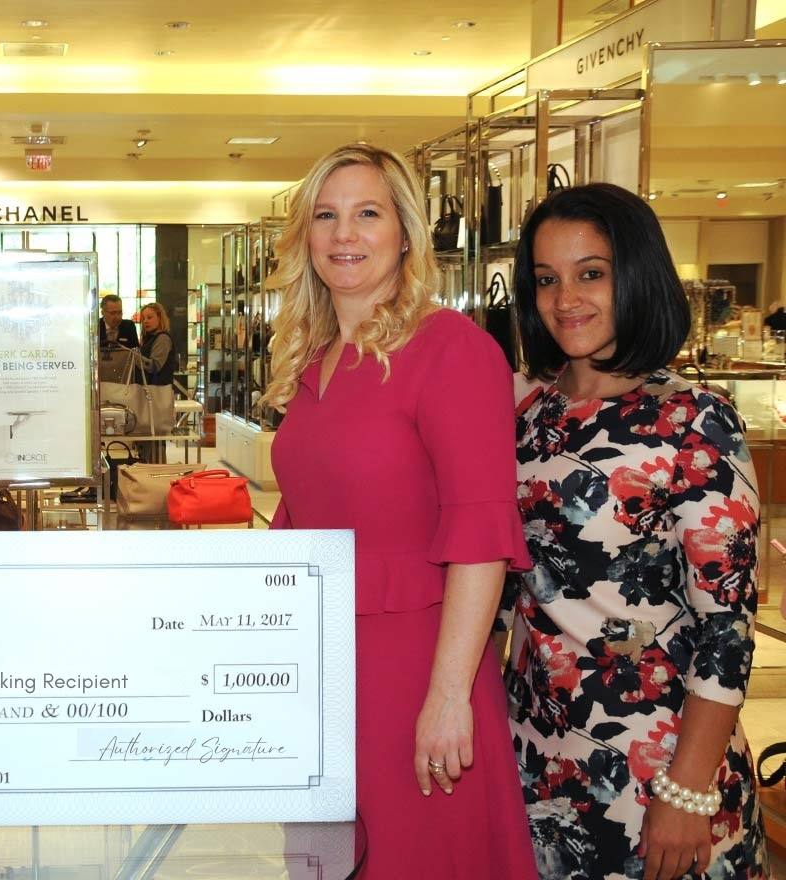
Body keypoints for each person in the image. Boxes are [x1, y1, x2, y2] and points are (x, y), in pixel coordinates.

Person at [263, 143, 537, 878]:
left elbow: (481, 536)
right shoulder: (313, 359)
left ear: (406, 233)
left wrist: (449, 697)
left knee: (419, 857)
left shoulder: (453, 351)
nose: (344, 235)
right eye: (326, 215)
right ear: (305, 238)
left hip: (417, 664)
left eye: (367, 214)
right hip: (323, 667)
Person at [503, 182, 768, 879]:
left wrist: (686, 791)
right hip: (539, 762)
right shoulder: (530, 418)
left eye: (592, 273)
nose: (566, 300)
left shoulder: (693, 419)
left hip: (663, 765)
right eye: (547, 280)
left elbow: (727, 627)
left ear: (637, 276)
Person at [136, 301, 176, 462]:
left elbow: (154, 366)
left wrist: (133, 357)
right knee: (148, 440)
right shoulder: (149, 339)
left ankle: (155, 475)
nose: (146, 321)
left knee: (155, 440)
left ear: (160, 318)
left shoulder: (162, 339)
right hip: (149, 395)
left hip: (157, 395)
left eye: (150, 317)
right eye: (143, 318)